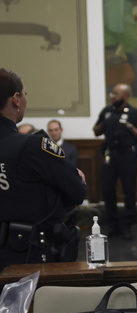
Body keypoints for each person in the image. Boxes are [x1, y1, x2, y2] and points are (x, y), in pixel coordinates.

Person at [0, 69, 86, 270]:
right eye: (25, 94)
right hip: (25, 258)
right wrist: (77, 177)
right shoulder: (32, 147)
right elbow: (77, 191)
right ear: (16, 100)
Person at [93, 83, 137, 240]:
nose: (113, 96)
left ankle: (127, 226)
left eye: (116, 93)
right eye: (112, 93)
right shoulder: (107, 112)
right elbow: (96, 131)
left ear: (126, 96)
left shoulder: (134, 113)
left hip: (128, 157)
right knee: (108, 190)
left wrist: (130, 127)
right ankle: (113, 225)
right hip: (110, 156)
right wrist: (106, 121)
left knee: (129, 191)